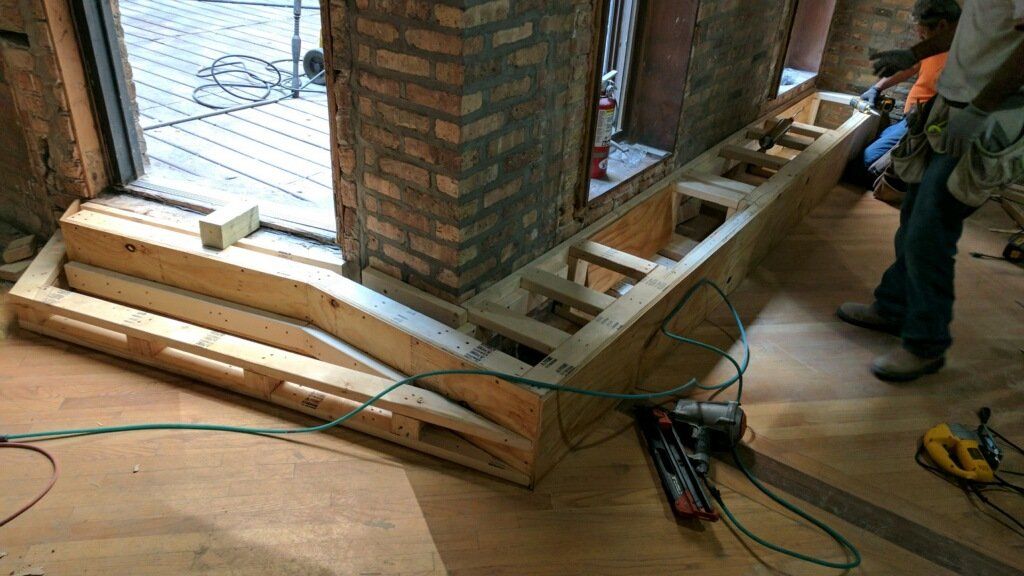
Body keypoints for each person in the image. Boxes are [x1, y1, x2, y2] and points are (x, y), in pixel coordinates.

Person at [838, 0, 1024, 382]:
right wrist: (914, 53)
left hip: (988, 114)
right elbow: (974, 32)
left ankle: (926, 344)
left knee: (931, 225)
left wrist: (980, 109)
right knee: (913, 213)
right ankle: (893, 307)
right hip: (952, 106)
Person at [860, 1, 961, 175]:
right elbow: (909, 67)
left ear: (942, 26)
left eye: (923, 36)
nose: (921, 40)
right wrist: (876, 88)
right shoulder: (932, 48)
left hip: (925, 129)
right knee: (870, 157)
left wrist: (924, 120)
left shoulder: (962, 59)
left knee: (868, 163)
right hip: (909, 121)